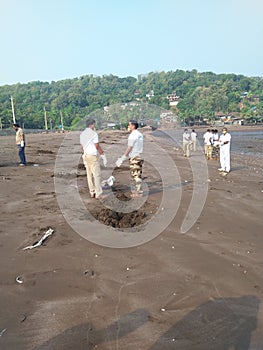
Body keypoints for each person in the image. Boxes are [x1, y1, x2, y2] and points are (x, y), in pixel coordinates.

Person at [80, 119, 107, 199]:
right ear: (91, 125)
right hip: (92, 156)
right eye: (94, 124)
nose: (94, 126)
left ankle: (92, 192)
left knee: (89, 175)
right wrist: (103, 155)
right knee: (96, 175)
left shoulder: (82, 134)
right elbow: (97, 146)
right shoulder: (93, 134)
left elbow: (82, 147)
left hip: (85, 155)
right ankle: (99, 193)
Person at [116, 120, 144, 198]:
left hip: (134, 156)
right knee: (137, 173)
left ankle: (138, 192)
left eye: (129, 125)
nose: (128, 127)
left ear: (133, 126)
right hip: (139, 155)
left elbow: (129, 147)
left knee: (135, 175)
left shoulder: (133, 135)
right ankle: (136, 191)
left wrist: (123, 157)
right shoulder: (139, 134)